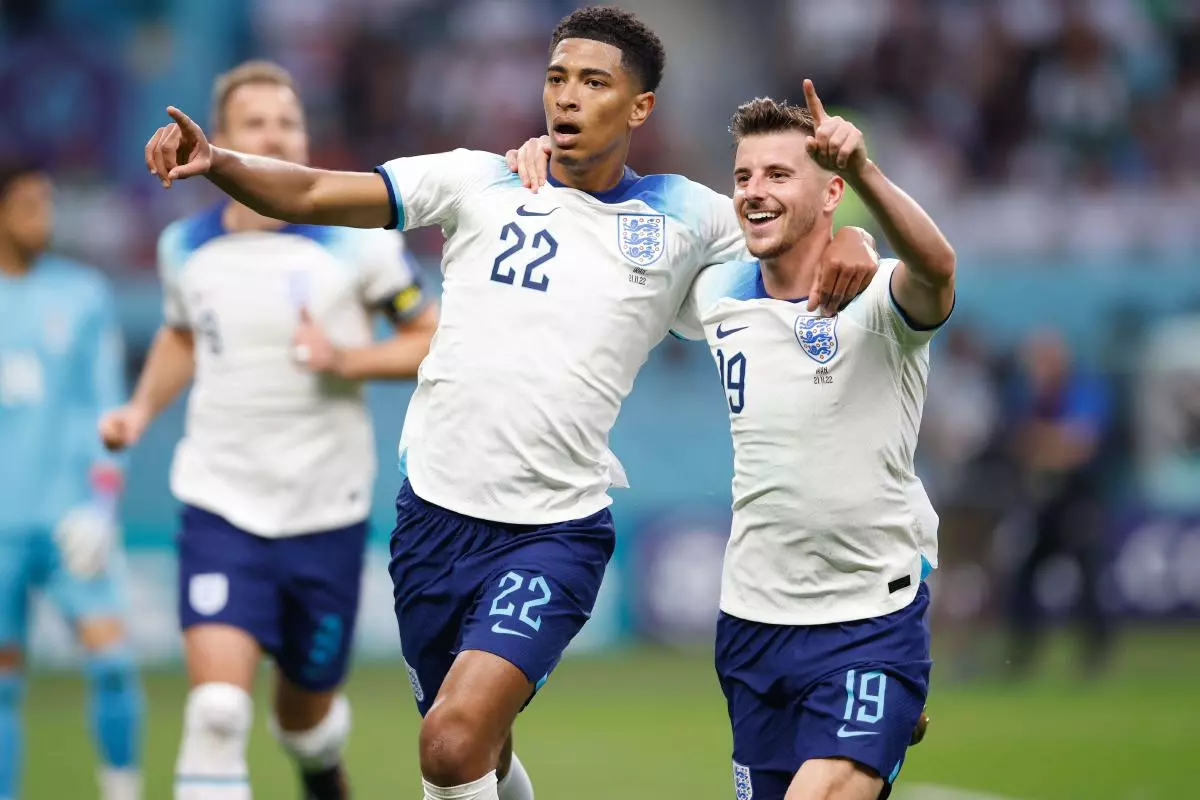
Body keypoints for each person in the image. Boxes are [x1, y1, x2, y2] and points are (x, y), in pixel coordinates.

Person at [140, 9, 878, 800]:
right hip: (432, 520)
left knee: (450, 743)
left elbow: (794, 230)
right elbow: (318, 189)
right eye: (557, 78)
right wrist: (217, 162)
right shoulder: (479, 178)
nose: (567, 96)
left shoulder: (688, 216)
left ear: (639, 108)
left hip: (553, 532)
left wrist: (854, 241)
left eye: (594, 82)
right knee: (478, 753)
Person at [101, 61, 437, 800]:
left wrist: (346, 358)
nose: (275, 134)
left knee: (304, 719)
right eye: (256, 123)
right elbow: (182, 335)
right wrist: (137, 410)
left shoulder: (359, 243)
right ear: (219, 141)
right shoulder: (183, 247)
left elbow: (433, 338)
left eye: (287, 122)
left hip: (326, 510)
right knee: (218, 711)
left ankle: (319, 761)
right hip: (221, 502)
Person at [670, 85, 956, 800]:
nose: (753, 192)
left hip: (868, 616)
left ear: (830, 192)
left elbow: (938, 269)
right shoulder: (717, 295)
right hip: (753, 624)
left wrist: (866, 179)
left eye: (777, 175)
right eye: (743, 177)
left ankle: (890, 695)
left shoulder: (882, 296)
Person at [0, 162, 143, 800]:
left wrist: (101, 504)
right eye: (30, 205)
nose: (44, 219)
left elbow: (107, 408)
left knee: (113, 665)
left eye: (48, 203)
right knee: (3, 685)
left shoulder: (82, 294)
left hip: (69, 520)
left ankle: (122, 790)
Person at [1006, 329, 1112, 680]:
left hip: (1080, 502)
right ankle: (1022, 654)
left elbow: (1081, 445)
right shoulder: (1033, 397)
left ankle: (1094, 656)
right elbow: (1022, 443)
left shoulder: (1083, 390)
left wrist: (1046, 444)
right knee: (1023, 574)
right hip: (1045, 504)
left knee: (1088, 577)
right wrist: (1056, 443)